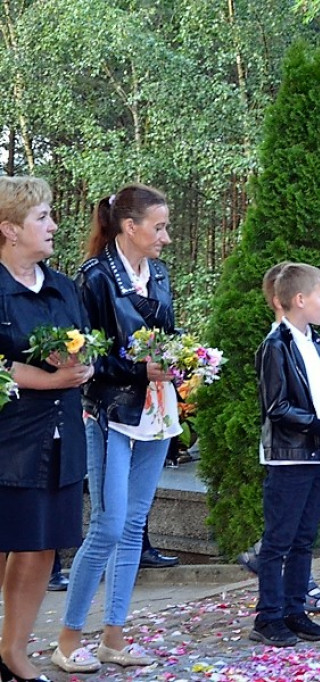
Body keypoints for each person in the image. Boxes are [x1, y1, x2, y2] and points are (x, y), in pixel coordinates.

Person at [54, 185, 179, 674]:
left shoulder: (161, 273)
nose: (165, 237)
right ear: (131, 226)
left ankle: (113, 636)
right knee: (107, 525)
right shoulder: (94, 278)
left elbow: (165, 337)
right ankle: (66, 641)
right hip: (111, 411)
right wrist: (136, 371)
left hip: (157, 413)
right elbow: (85, 354)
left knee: (131, 526)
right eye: (160, 227)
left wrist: (182, 361)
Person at [0, 176, 93, 682]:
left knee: (40, 546)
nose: (53, 225)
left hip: (59, 433)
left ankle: (14, 649)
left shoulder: (62, 286)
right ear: (9, 230)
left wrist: (86, 365)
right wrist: (45, 377)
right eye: (42, 217)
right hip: (8, 437)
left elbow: (84, 342)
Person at [249, 263, 320, 647]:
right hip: (291, 457)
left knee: (304, 537)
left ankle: (295, 610)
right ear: (299, 300)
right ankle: (268, 616)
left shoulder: (318, 342)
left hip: (319, 452)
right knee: (279, 539)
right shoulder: (275, 346)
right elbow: (276, 407)